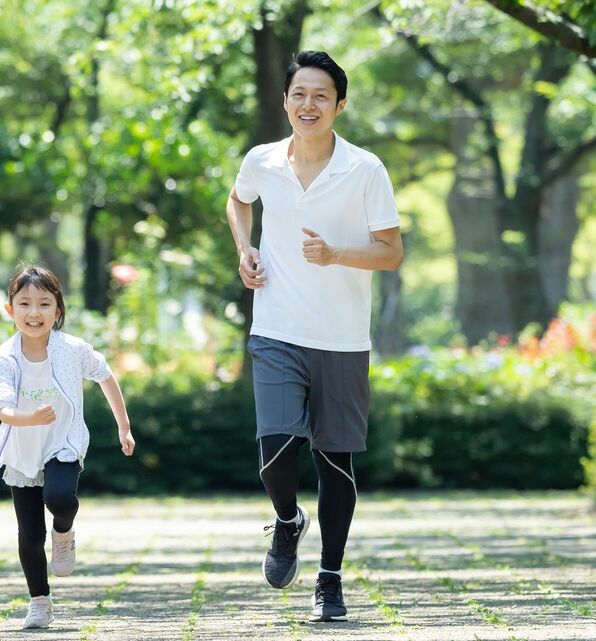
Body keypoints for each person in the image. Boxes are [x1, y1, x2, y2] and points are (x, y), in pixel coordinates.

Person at [225, 50, 404, 623]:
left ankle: (329, 579)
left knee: (335, 462)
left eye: (321, 96)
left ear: (339, 105)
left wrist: (334, 255)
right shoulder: (263, 160)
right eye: (299, 94)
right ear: (285, 100)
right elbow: (238, 199)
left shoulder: (365, 169)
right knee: (275, 448)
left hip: (343, 339)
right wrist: (244, 250)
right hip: (275, 328)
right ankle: (286, 521)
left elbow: (391, 251)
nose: (309, 104)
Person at [0, 264, 137, 629]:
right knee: (29, 536)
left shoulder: (72, 349)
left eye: (43, 304)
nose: (33, 313)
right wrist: (30, 418)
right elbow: (4, 410)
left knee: (60, 499)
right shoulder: (5, 357)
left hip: (64, 442)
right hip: (22, 450)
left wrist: (124, 427)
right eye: (24, 304)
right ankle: (39, 601)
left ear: (57, 310)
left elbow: (105, 376)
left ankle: (64, 533)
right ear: (11, 310)